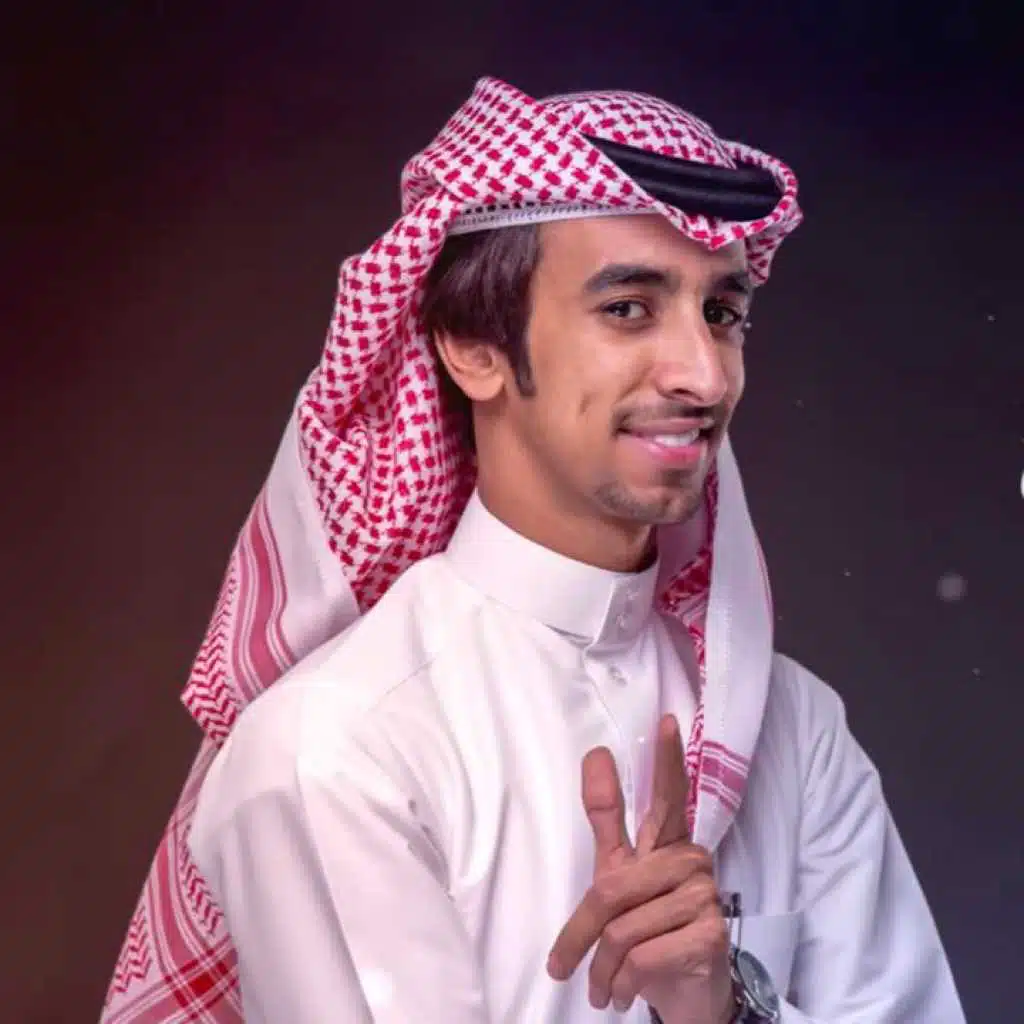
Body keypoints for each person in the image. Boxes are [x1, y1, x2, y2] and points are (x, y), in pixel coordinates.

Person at [103, 77, 965, 1023]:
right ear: (472, 349)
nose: (705, 375)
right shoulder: (340, 749)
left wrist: (723, 1010)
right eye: (628, 308)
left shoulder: (793, 729)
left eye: (722, 313)